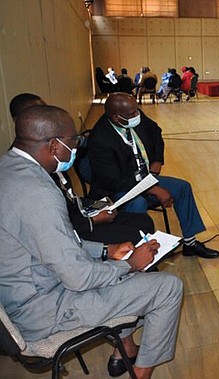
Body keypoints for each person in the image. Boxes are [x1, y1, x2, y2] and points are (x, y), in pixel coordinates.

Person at [0, 105, 183, 379]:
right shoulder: (38, 193)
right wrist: (130, 265)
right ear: (54, 146)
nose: (77, 147)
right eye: (74, 141)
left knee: (120, 277)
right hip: (44, 309)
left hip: (28, 289)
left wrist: (107, 252)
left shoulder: (9, 169)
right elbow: (79, 278)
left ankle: (125, 348)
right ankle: (142, 374)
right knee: (168, 287)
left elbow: (49, 244)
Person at [87, 93, 219, 259]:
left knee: (182, 187)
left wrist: (157, 160)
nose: (137, 116)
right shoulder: (100, 139)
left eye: (137, 111)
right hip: (118, 190)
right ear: (116, 117)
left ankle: (190, 242)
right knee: (138, 203)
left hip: (144, 178)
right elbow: (114, 180)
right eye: (132, 114)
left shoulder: (132, 115)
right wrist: (153, 189)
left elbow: (156, 132)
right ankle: (140, 252)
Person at [9, 93, 155, 245]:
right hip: (75, 233)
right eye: (73, 140)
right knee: (136, 234)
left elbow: (69, 199)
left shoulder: (49, 157)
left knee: (143, 222)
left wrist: (96, 206)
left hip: (80, 216)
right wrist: (94, 220)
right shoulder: (30, 179)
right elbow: (52, 234)